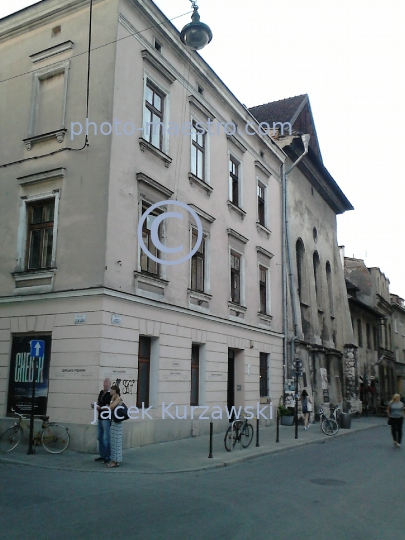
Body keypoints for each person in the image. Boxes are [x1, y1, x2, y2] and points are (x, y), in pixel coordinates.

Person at [92, 378, 111, 464]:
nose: (105, 385)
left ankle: (108, 456)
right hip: (100, 417)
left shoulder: (110, 394)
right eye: (104, 384)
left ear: (110, 385)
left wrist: (101, 408)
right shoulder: (101, 392)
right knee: (100, 437)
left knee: (106, 438)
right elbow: (99, 402)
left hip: (106, 418)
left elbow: (109, 406)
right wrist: (96, 406)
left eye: (107, 384)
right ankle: (102, 454)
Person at [108, 384, 123, 468]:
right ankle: (114, 460)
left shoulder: (117, 398)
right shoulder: (115, 398)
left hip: (117, 422)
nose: (110, 391)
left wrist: (111, 401)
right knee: (113, 441)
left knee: (116, 441)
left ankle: (116, 461)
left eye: (112, 390)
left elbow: (111, 407)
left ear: (115, 391)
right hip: (114, 420)